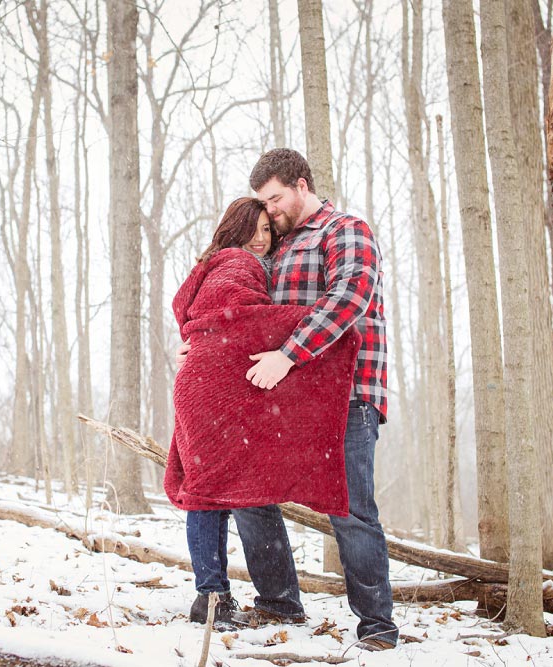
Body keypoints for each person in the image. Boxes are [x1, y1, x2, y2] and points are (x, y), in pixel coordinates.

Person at [178, 149, 398, 651]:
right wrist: (202, 339)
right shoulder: (270, 247)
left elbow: (350, 297)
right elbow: (241, 312)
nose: (269, 210)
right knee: (251, 497)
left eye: (275, 198)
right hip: (280, 397)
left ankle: (377, 626)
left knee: (351, 509)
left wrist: (288, 353)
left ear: (301, 185)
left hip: (347, 394)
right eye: (262, 202)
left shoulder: (345, 230)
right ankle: (279, 603)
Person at [168, 197, 360, 630]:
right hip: (214, 391)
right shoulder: (238, 262)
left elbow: (199, 316)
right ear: (233, 230)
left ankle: (216, 596)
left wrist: (195, 341)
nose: (261, 238)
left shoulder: (215, 264)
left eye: (267, 230)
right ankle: (213, 596)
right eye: (252, 228)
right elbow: (242, 319)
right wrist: (313, 324)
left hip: (210, 387)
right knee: (211, 494)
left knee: (209, 491)